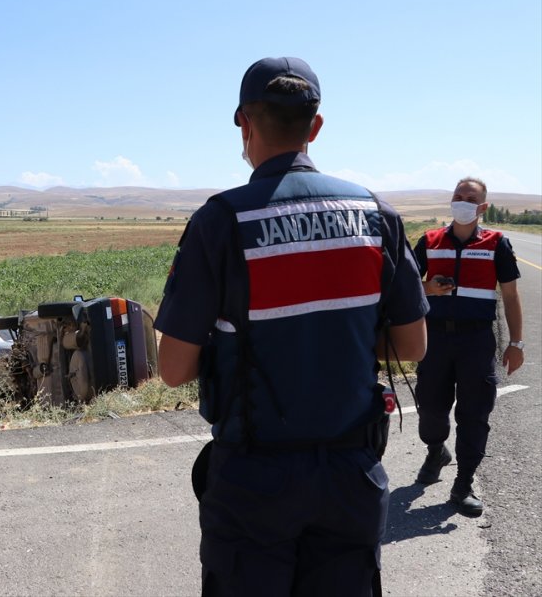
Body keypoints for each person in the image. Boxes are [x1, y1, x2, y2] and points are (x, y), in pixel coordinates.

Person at [155, 57, 429, 596]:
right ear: (316, 127)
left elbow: (173, 368)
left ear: (244, 124)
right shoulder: (376, 214)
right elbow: (413, 346)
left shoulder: (221, 221)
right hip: (351, 473)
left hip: (253, 482)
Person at [412, 177, 524, 517]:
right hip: (435, 339)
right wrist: (427, 288)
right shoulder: (430, 240)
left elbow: (510, 294)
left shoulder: (496, 243)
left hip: (477, 339)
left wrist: (516, 342)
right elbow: (406, 283)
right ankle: (436, 451)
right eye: (458, 196)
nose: (462, 201)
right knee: (430, 408)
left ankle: (464, 483)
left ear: (482, 207)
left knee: (474, 413)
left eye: (470, 198)